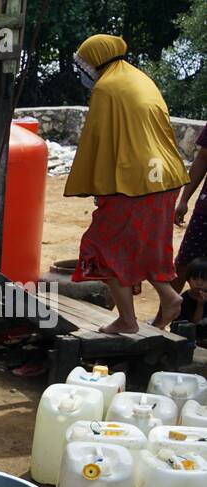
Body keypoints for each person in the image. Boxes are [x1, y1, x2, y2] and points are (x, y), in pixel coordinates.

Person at [63, 35, 189, 334]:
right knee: (142, 245)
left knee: (100, 247)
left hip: (136, 182)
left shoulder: (107, 88)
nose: (83, 71)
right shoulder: (138, 78)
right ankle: (169, 297)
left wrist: (100, 187)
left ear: (95, 60)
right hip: (164, 176)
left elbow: (100, 142)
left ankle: (128, 320)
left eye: (83, 64)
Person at [174, 127, 207, 291]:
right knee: (184, 263)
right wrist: (184, 200)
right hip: (205, 212)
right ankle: (165, 315)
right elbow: (203, 157)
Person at [176, 257, 207, 330]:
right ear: (188, 279)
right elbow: (193, 326)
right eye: (195, 279)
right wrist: (200, 305)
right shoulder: (183, 300)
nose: (199, 283)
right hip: (187, 336)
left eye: (204, 280)